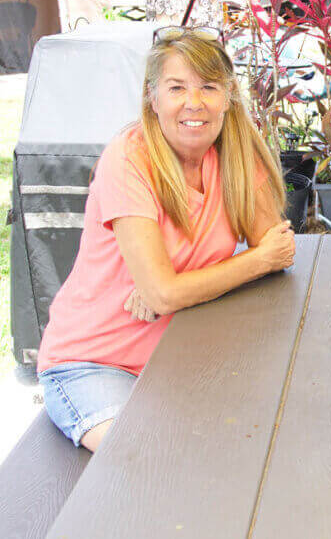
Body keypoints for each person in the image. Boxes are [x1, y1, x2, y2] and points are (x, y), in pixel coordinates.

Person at [36, 28, 296, 451]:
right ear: (153, 100)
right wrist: (175, 287)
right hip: (94, 363)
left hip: (179, 355)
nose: (194, 103)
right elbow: (254, 259)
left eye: (209, 88)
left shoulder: (229, 154)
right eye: (177, 88)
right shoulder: (129, 158)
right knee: (151, 457)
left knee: (265, 430)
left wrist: (175, 286)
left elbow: (276, 245)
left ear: (228, 97)